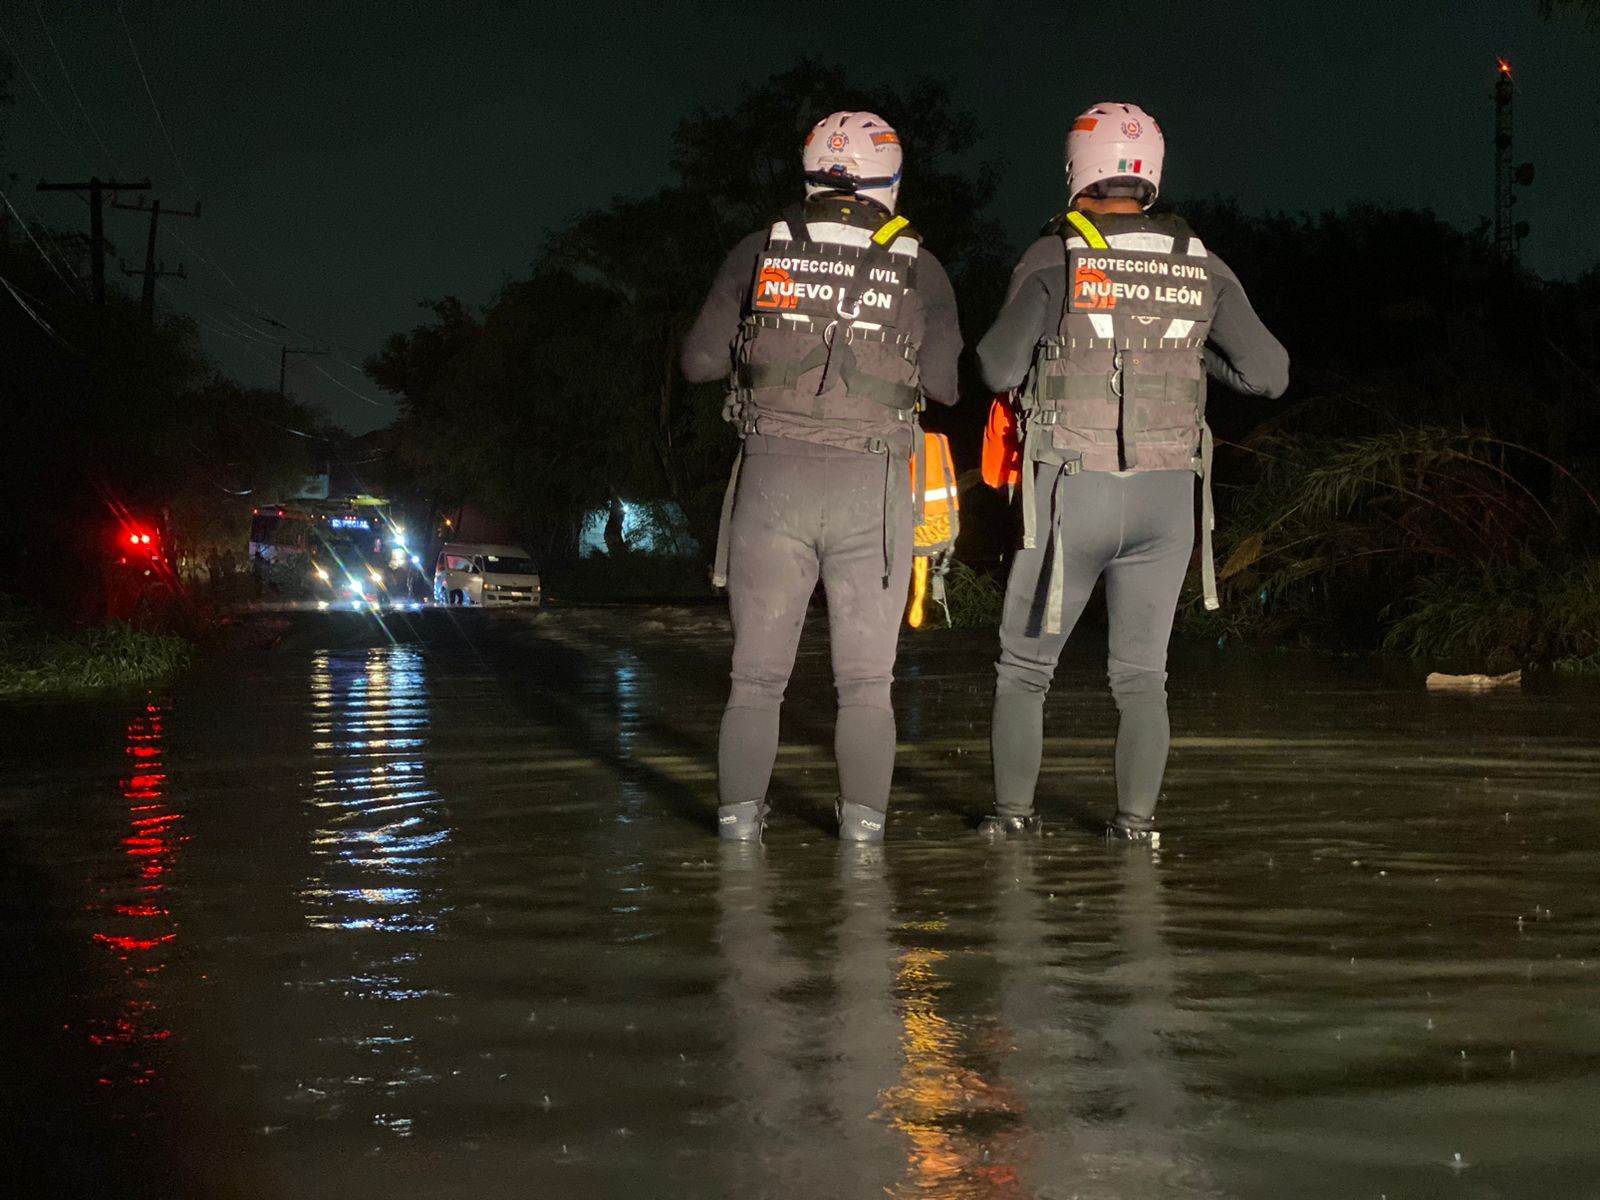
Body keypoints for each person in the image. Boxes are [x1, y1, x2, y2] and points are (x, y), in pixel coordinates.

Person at [976, 102, 1289, 843]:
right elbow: (1269, 374)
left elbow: (994, 365)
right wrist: (1188, 351)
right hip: (1167, 502)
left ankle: (1011, 825)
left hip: (1072, 495)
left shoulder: (1056, 255)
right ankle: (1136, 830)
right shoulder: (1200, 262)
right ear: (1150, 171)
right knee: (1142, 678)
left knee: (1025, 670)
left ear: (1078, 170)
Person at [681, 110, 962, 843]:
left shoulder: (759, 247)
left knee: (754, 679)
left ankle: (739, 838)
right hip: (871, 489)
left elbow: (699, 363)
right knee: (868, 685)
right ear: (889, 183)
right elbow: (948, 385)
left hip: (772, 484)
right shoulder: (921, 264)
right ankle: (862, 850)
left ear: (810, 173)